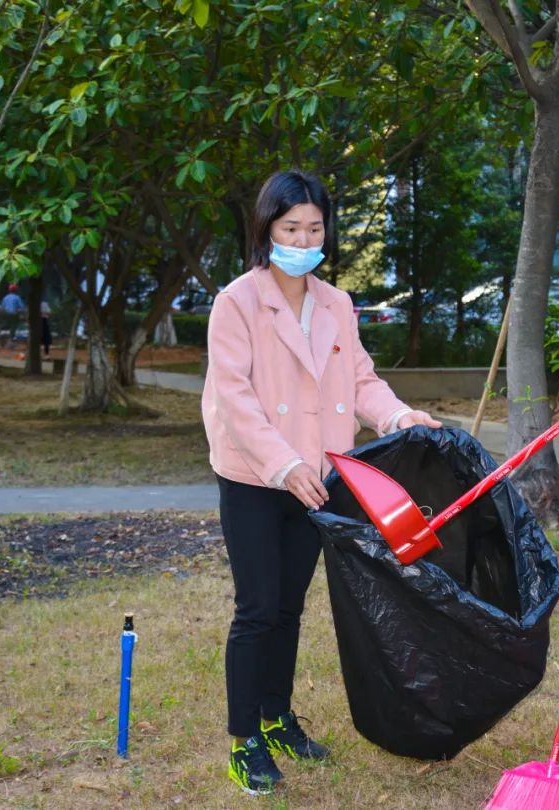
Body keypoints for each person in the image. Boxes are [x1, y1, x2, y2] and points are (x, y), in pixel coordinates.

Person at [202, 169, 441, 795]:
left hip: (321, 477)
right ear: (266, 229)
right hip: (258, 476)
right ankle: (245, 740)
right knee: (257, 608)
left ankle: (277, 718)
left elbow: (361, 380)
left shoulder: (336, 303)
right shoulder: (236, 302)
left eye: (314, 228)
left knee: (289, 607)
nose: (303, 240)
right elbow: (234, 398)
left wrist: (398, 416)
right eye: (291, 228)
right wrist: (283, 464)